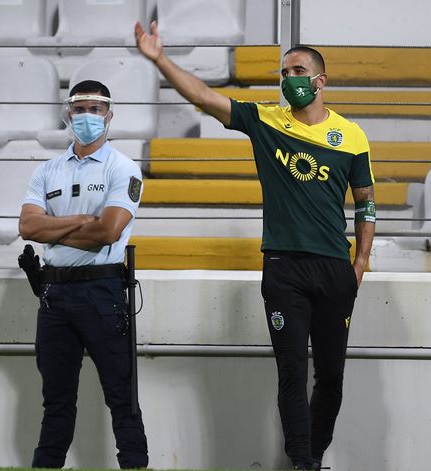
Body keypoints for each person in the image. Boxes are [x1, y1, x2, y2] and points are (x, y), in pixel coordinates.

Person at [135, 22, 376, 471]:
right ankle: (302, 462)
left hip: (333, 270)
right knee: (290, 373)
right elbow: (205, 99)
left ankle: (315, 453)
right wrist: (160, 59)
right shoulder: (265, 120)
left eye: (297, 70)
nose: (288, 80)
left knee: (332, 378)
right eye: (283, 73)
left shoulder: (352, 136)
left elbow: (366, 205)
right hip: (284, 268)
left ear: (320, 80)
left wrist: (359, 263)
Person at [19, 80, 149, 469]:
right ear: (68, 114)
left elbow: (108, 231)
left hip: (103, 291)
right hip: (54, 296)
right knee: (55, 400)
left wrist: (54, 228)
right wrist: (81, 221)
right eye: (80, 109)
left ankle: (134, 464)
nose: (87, 117)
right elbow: (28, 227)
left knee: (122, 395)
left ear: (109, 116)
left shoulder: (123, 167)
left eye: (96, 109)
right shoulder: (47, 171)